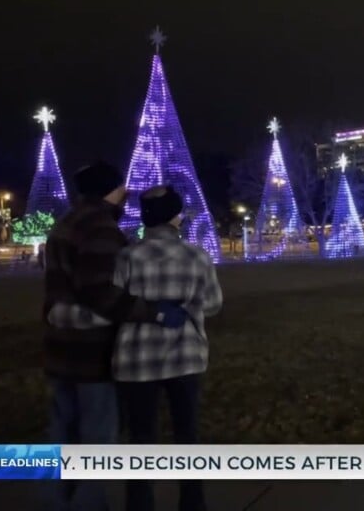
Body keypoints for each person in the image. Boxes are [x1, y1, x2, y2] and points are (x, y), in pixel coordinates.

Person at [43, 162, 188, 511]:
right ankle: (88, 504)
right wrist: (153, 311)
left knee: (62, 433)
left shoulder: (67, 223)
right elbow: (102, 293)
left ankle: (55, 501)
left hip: (60, 348)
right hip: (91, 352)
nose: (125, 192)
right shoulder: (100, 229)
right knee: (98, 438)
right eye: (121, 186)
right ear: (112, 189)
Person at [113, 185, 223, 511]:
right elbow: (214, 304)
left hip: (136, 358)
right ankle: (192, 503)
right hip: (185, 356)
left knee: (141, 438)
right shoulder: (196, 256)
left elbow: (116, 303)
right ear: (177, 217)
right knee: (187, 434)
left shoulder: (127, 256)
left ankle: (140, 504)